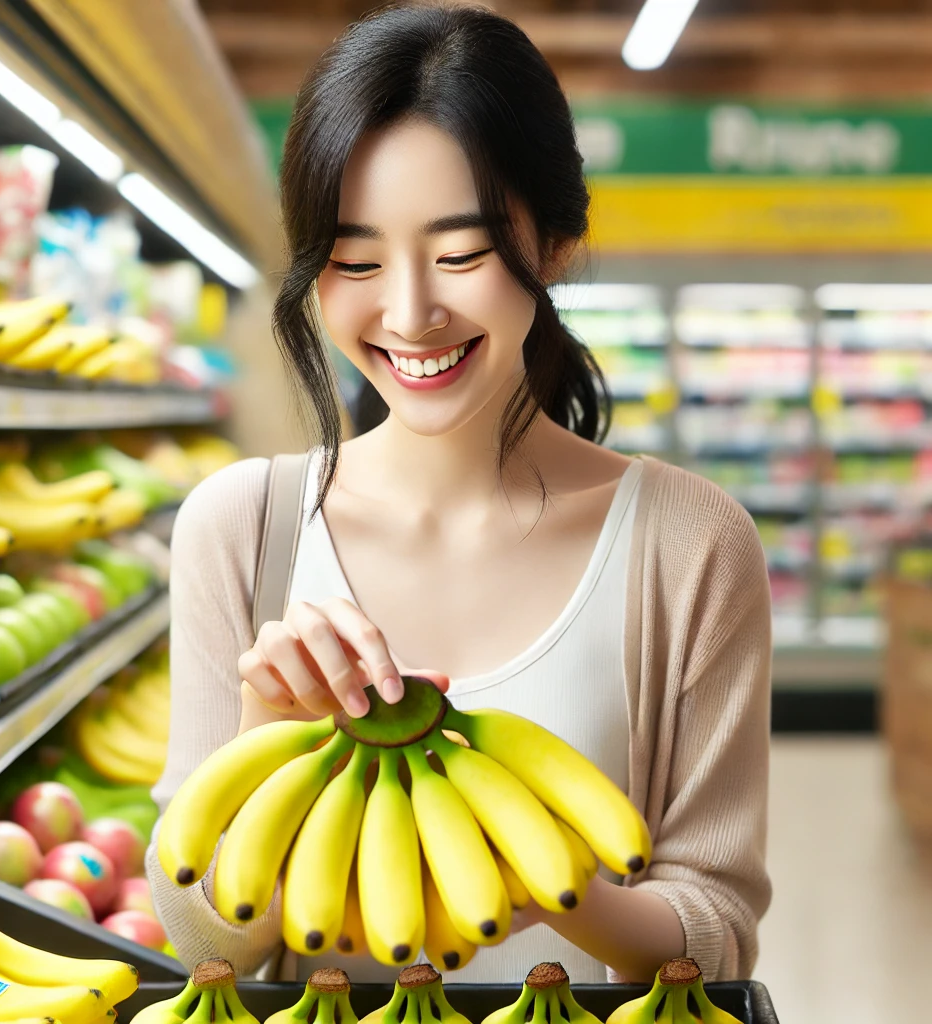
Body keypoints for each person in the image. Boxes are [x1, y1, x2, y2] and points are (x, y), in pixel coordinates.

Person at [147, 1, 772, 988]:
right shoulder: (239, 530)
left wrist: (546, 883)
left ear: (555, 243)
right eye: (354, 259)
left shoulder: (688, 545)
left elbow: (719, 928)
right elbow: (208, 948)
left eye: (460, 254)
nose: (408, 312)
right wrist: (260, 727)